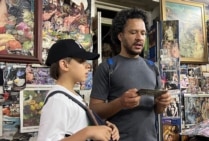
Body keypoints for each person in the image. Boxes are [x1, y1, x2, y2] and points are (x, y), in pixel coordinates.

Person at [90, 8, 172, 141]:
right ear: (120, 36)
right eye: (133, 32)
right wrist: (120, 103)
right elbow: (94, 111)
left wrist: (162, 104)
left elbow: (155, 110)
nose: (139, 38)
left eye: (143, 33)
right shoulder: (107, 67)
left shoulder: (153, 68)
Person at [37, 39, 120, 141]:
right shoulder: (58, 100)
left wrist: (103, 127)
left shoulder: (72, 96)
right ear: (64, 65)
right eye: (81, 61)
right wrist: (88, 132)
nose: (88, 65)